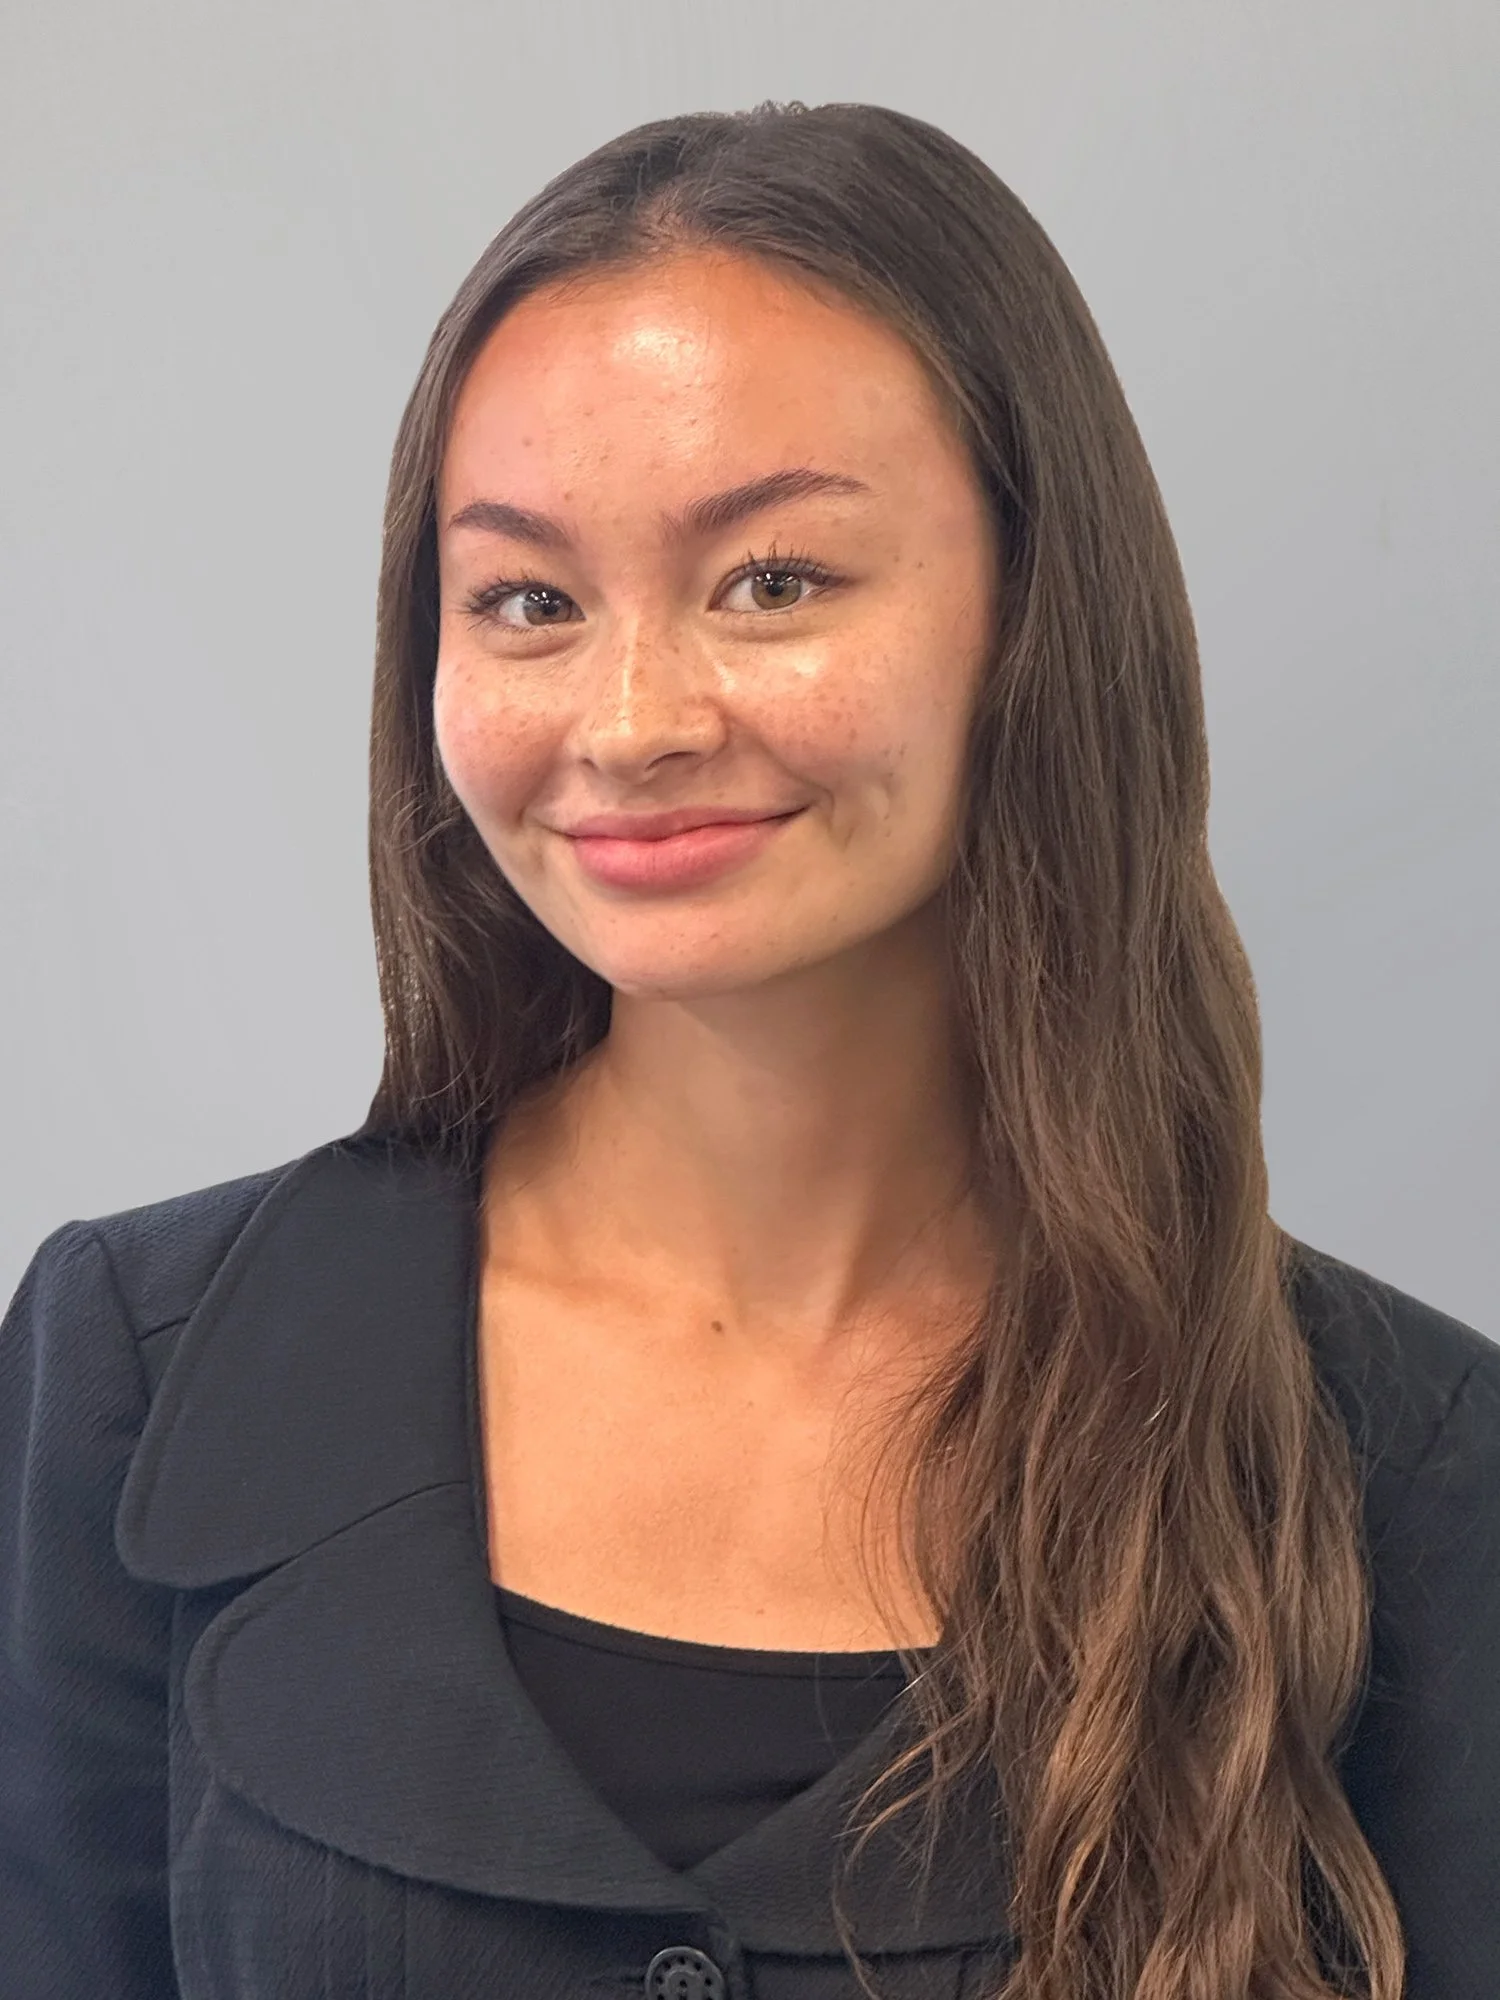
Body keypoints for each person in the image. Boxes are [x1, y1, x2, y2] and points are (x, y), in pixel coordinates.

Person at [1, 99, 1496, 2000]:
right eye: (528, 600)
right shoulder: (135, 1371)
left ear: (1037, 615)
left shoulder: (1411, 1475)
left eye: (772, 580)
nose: (629, 720)